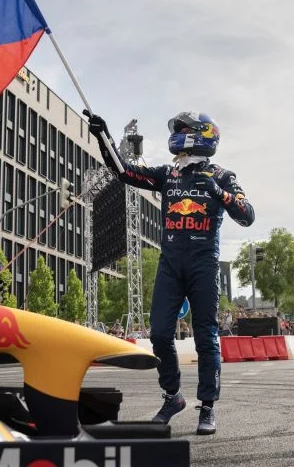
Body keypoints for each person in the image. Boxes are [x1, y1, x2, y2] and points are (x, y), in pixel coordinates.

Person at [84, 110, 255, 435]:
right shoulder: (168, 174)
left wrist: (219, 193)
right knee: (160, 334)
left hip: (204, 262)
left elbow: (247, 216)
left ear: (203, 134)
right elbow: (124, 172)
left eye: (183, 129)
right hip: (171, 262)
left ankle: (207, 406)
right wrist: (102, 136)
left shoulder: (222, 175)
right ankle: (173, 396)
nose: (177, 134)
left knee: (206, 336)